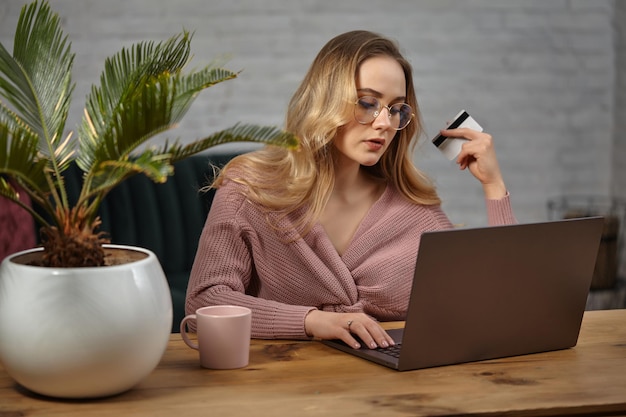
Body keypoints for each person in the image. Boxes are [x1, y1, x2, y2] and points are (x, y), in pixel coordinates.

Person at [185, 30, 516, 351]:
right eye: (367, 103)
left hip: (392, 389)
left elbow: (500, 306)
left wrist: (494, 186)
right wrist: (312, 322)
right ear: (325, 102)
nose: (384, 123)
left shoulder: (415, 211)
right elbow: (205, 300)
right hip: (279, 386)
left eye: (396, 108)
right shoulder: (252, 189)